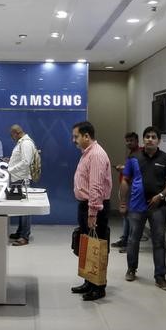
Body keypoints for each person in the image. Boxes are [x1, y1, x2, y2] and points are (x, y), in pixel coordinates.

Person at [119, 126, 166, 292]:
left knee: (159, 241)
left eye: (153, 137)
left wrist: (160, 196)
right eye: (147, 137)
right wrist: (123, 203)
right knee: (133, 239)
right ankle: (131, 269)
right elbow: (125, 180)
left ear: (158, 140)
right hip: (137, 206)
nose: (150, 139)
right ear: (143, 140)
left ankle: (160, 277)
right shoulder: (134, 157)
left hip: (158, 207)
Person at [69, 121, 112, 301]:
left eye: (76, 137)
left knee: (97, 247)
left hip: (94, 207)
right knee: (87, 245)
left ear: (87, 136)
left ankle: (98, 286)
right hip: (86, 206)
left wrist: (92, 212)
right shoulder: (86, 153)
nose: (74, 140)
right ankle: (89, 281)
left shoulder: (96, 155)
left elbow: (96, 187)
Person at [4, 124, 36, 246]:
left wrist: (11, 169)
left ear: (15, 133)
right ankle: (20, 231)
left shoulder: (26, 143)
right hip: (18, 179)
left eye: (11, 135)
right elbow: (21, 159)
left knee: (25, 209)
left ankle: (24, 236)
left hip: (22, 180)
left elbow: (26, 162)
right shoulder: (22, 143)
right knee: (20, 208)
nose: (11, 138)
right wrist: (10, 161)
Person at [112, 132, 140, 251]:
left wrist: (123, 168)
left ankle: (130, 244)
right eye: (127, 141)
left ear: (137, 141)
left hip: (134, 190)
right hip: (128, 188)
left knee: (131, 217)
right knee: (126, 216)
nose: (129, 143)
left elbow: (137, 170)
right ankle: (125, 240)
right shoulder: (132, 154)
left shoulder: (139, 153)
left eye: (131, 140)